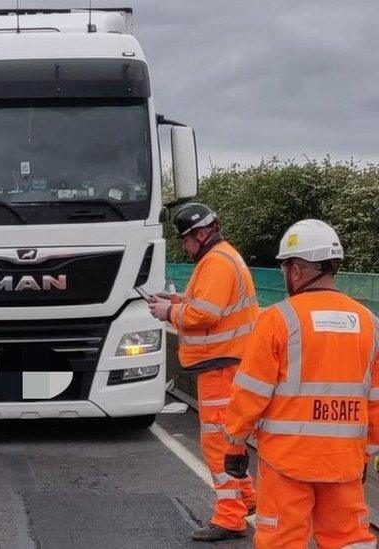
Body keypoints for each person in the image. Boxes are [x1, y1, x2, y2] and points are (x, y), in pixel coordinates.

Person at [223, 220, 377, 548]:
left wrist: (234, 444)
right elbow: (375, 401)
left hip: (287, 463)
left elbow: (250, 393)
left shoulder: (278, 320)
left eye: (285, 268)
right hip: (344, 463)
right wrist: (366, 455)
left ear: (296, 270)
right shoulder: (370, 323)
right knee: (349, 539)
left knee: (282, 540)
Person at [147, 203, 258, 542]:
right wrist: (179, 302)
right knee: (230, 439)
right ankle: (248, 499)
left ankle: (230, 517)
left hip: (222, 367)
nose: (185, 247)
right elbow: (209, 306)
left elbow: (205, 315)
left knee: (219, 444)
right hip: (227, 364)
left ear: (200, 233)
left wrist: (170, 312)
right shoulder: (221, 259)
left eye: (186, 240)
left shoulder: (217, 262)